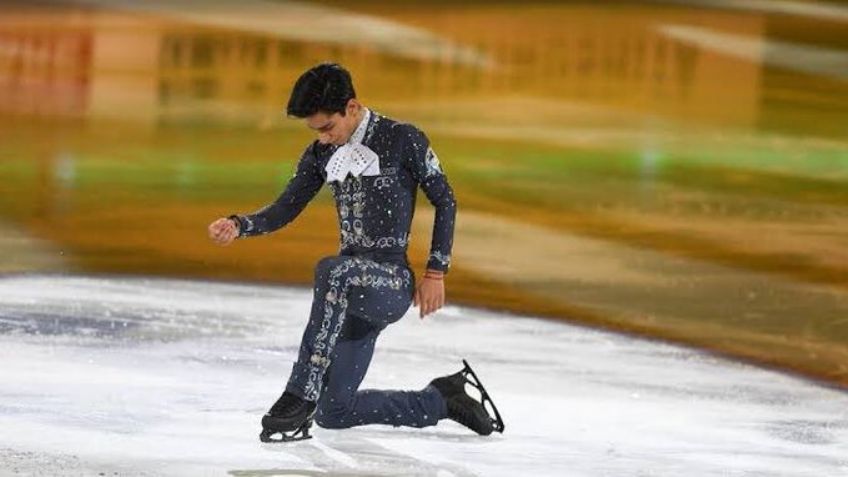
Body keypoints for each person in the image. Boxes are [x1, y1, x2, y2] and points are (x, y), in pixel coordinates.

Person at [207, 62, 504, 442]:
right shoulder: (320, 153)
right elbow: (287, 207)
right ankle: (442, 400)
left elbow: (445, 200)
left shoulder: (403, 138)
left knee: (332, 270)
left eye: (327, 128)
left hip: (390, 283)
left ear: (351, 107)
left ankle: (300, 393)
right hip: (347, 294)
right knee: (335, 413)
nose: (324, 139)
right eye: (315, 131)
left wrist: (436, 272)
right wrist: (240, 225)